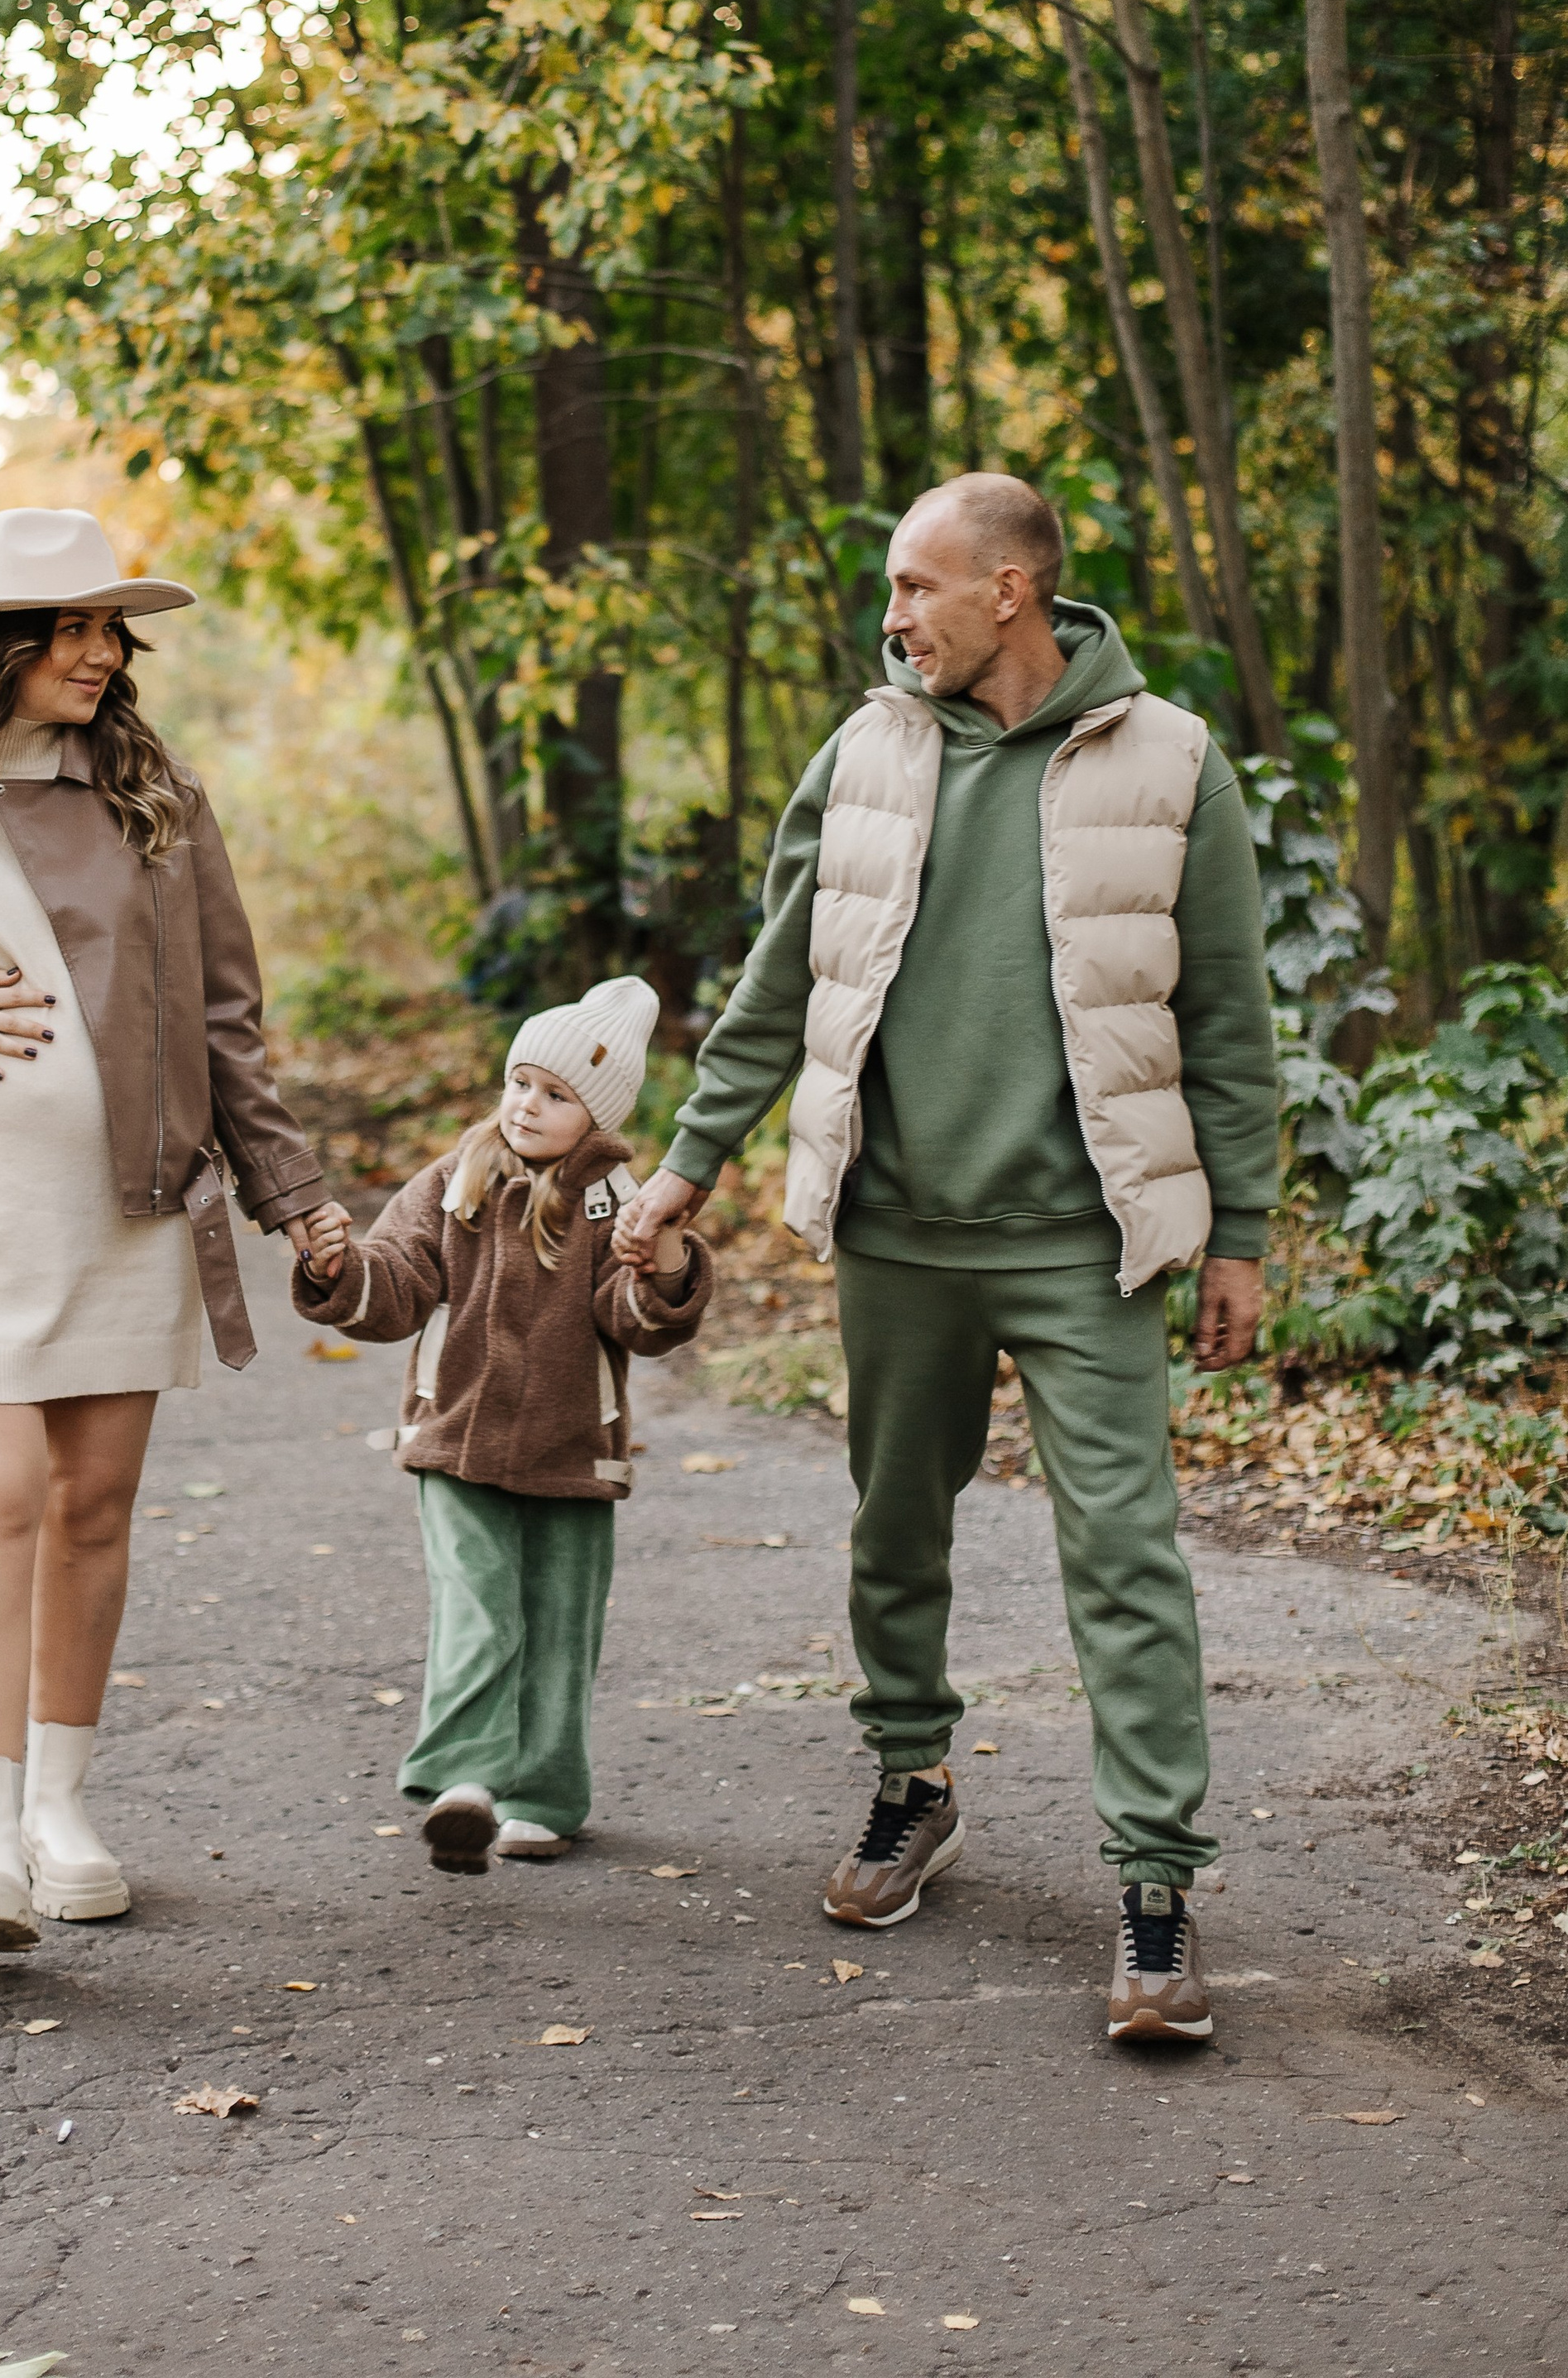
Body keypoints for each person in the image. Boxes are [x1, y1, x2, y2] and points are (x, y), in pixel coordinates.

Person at [615, 474, 1278, 2044]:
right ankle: (912, 1783)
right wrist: (688, 1163)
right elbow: (782, 979)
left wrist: (1241, 1232)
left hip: (1087, 1243)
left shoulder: (1173, 762)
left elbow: (1230, 1025)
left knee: (1128, 1559)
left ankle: (1157, 1890)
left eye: (918, 587)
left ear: (1014, 591)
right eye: (894, 590)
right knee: (892, 1533)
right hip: (897, 1231)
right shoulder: (868, 752)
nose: (893, 616)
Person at [0, 506, 348, 1952]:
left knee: (92, 1509)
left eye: (111, 630)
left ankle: (62, 1809)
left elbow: (227, 1022)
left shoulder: (158, 795)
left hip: (126, 1207)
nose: (100, 653)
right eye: (71, 628)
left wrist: (296, 1198)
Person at [294, 977, 713, 1870]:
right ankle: (465, 1782)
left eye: (556, 1095)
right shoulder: (455, 1184)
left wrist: (666, 1260)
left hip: (572, 1450)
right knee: (478, 1609)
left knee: (561, 1624)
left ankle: (547, 1796)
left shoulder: (615, 1204)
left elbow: (636, 1321)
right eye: (521, 1082)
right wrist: (339, 1271)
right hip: (455, 1439)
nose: (528, 1104)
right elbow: (397, 1281)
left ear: (594, 1118)